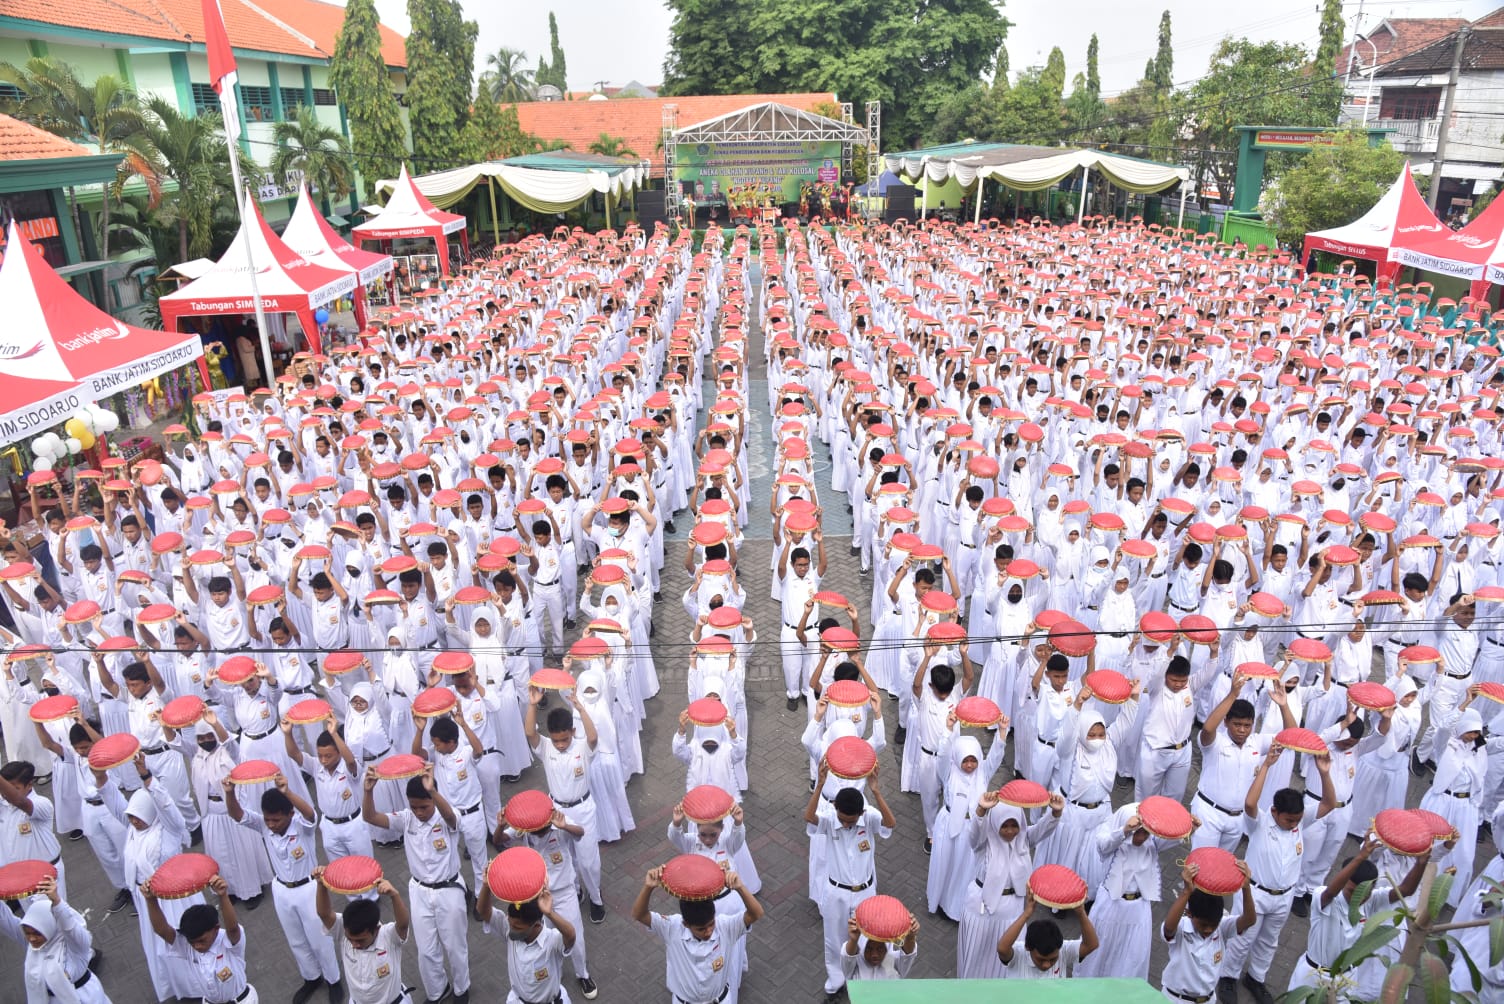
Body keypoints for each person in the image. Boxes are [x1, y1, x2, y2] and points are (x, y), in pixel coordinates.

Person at [1218, 744, 1336, 1004]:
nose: (1294, 824)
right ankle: (1228, 976)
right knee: (1243, 937)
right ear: (1274, 812)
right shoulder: (1259, 822)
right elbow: (1249, 802)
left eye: (1297, 819)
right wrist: (1267, 766)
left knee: (1270, 941)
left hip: (1284, 896)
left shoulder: (1300, 822)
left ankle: (1256, 978)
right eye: (1289, 820)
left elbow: (1329, 803)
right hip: (1255, 893)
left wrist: (1325, 773)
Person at [225, 772, 345, 1004]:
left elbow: (311, 813)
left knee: (320, 938)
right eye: (268, 820)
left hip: (309, 889)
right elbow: (236, 814)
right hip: (281, 890)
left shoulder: (302, 826)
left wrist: (287, 792)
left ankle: (333, 980)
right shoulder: (263, 826)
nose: (271, 825)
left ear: (290, 814)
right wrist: (229, 793)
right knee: (296, 939)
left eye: (276, 820)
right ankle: (311, 977)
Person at [361, 765, 470, 1004]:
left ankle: (462, 989)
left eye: (424, 806)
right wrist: (368, 792)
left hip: (448, 889)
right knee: (426, 950)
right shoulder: (406, 818)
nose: (419, 812)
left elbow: (451, 817)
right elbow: (370, 817)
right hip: (419, 891)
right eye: (414, 807)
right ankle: (437, 991)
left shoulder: (448, 816)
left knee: (454, 946)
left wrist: (433, 791)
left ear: (434, 799)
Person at [1286, 833, 1430, 999]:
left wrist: (1421, 863)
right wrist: (1361, 856)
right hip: (1313, 976)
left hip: (1346, 981)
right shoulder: (1324, 898)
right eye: (1351, 891)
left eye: (1364, 893)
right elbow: (1332, 891)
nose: (1359, 898)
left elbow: (1405, 890)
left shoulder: (1373, 900)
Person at [804, 758, 896, 1002]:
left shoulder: (870, 817)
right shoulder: (828, 818)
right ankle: (836, 982)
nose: (846, 823)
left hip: (866, 892)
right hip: (836, 892)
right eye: (842, 818)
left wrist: (875, 790)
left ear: (861, 813)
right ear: (835, 809)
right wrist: (820, 784)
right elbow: (809, 817)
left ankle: (865, 982)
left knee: (870, 939)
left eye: (851, 820)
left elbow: (890, 823)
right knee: (835, 940)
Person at [632, 865, 764, 1004]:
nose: (709, 931)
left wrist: (740, 887)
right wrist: (648, 887)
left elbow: (756, 913)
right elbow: (639, 914)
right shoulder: (672, 927)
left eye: (711, 924)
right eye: (701, 929)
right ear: (686, 924)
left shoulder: (725, 927)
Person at [142, 874, 254, 1003]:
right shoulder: (188, 946)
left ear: (216, 928)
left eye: (201, 940)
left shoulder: (229, 943)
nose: (196, 946)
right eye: (192, 942)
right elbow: (162, 930)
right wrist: (150, 900)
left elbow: (233, 928)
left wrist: (223, 896)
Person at [1, 876, 112, 1003]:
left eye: (37, 933)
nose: (31, 938)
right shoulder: (33, 944)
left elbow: (70, 927)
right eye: (27, 933)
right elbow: (5, 920)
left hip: (87, 998)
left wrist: (57, 902)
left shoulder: (75, 947)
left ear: (49, 927)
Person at [1161, 860, 1257, 1004]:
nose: (1209, 929)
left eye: (1213, 924)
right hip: (1175, 999)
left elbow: (1249, 920)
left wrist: (1246, 888)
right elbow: (1168, 928)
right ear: (1189, 913)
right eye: (1203, 924)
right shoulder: (1180, 928)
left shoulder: (1223, 928)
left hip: (1208, 1000)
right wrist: (1186, 891)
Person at [313, 869, 413, 1004]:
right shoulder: (343, 930)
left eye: (360, 940)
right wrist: (321, 884)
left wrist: (394, 895)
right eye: (350, 939)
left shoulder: (388, 936)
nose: (354, 945)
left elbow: (403, 924)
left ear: (376, 929)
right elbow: (324, 914)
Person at [475, 886, 577, 1004]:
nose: (511, 929)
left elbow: (571, 935)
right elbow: (483, 911)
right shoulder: (507, 928)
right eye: (510, 923)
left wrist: (550, 913)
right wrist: (487, 884)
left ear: (536, 925)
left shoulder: (552, 941)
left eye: (518, 927)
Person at [995, 891, 1099, 978]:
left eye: (1053, 959)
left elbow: (1091, 945)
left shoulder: (1064, 951)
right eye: (1040, 959)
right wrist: (1026, 914)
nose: (1046, 965)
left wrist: (1081, 913)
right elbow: (1002, 948)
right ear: (1027, 947)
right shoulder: (1018, 954)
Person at [841, 913, 918, 982]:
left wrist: (911, 936)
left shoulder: (894, 961)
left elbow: (908, 955)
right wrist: (853, 940)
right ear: (862, 947)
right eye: (869, 949)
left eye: (880, 949)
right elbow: (848, 957)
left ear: (887, 948)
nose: (874, 955)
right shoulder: (856, 963)